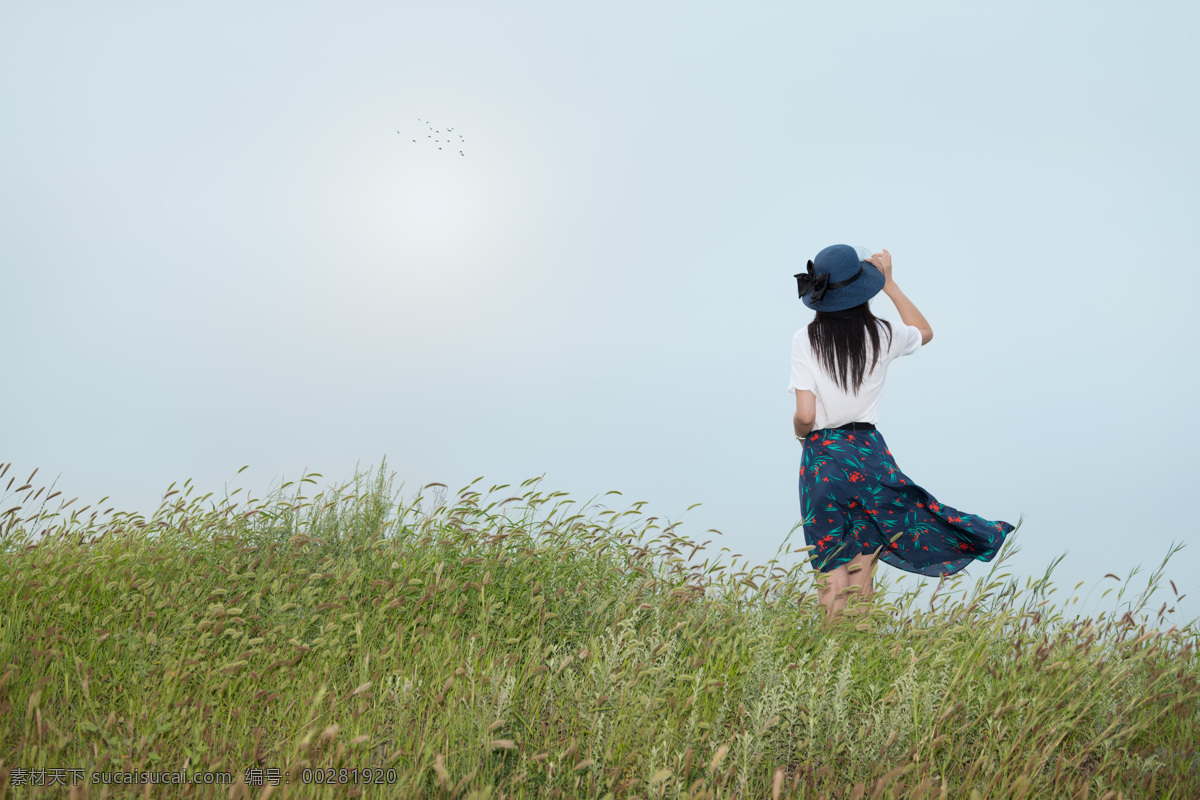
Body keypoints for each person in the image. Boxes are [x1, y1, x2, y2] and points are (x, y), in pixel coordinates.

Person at [788, 245, 1015, 625]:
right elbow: (925, 331)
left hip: (822, 458)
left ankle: (828, 662)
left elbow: (805, 415)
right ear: (862, 292)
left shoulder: (804, 339)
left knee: (830, 570)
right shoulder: (882, 334)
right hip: (869, 454)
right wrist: (890, 284)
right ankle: (857, 654)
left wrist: (801, 436)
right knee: (862, 572)